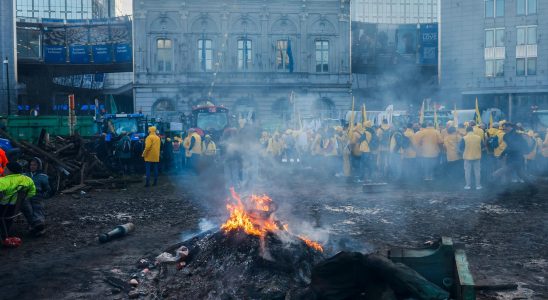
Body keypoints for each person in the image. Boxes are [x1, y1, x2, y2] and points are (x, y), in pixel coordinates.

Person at [0, 162, 36, 239]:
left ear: (10, 171)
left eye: (5, 169)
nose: (3, 170)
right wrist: (20, 200)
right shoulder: (27, 179)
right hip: (15, 208)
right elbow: (32, 193)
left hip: (3, 209)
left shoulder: (3, 181)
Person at [22, 157, 51, 236]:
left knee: (37, 207)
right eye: (31, 165)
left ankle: (39, 225)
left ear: (38, 166)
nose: (32, 167)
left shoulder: (43, 176)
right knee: (27, 208)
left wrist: (45, 195)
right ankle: (35, 225)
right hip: (26, 195)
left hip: (37, 195)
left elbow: (48, 188)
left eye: (34, 165)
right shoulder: (25, 175)